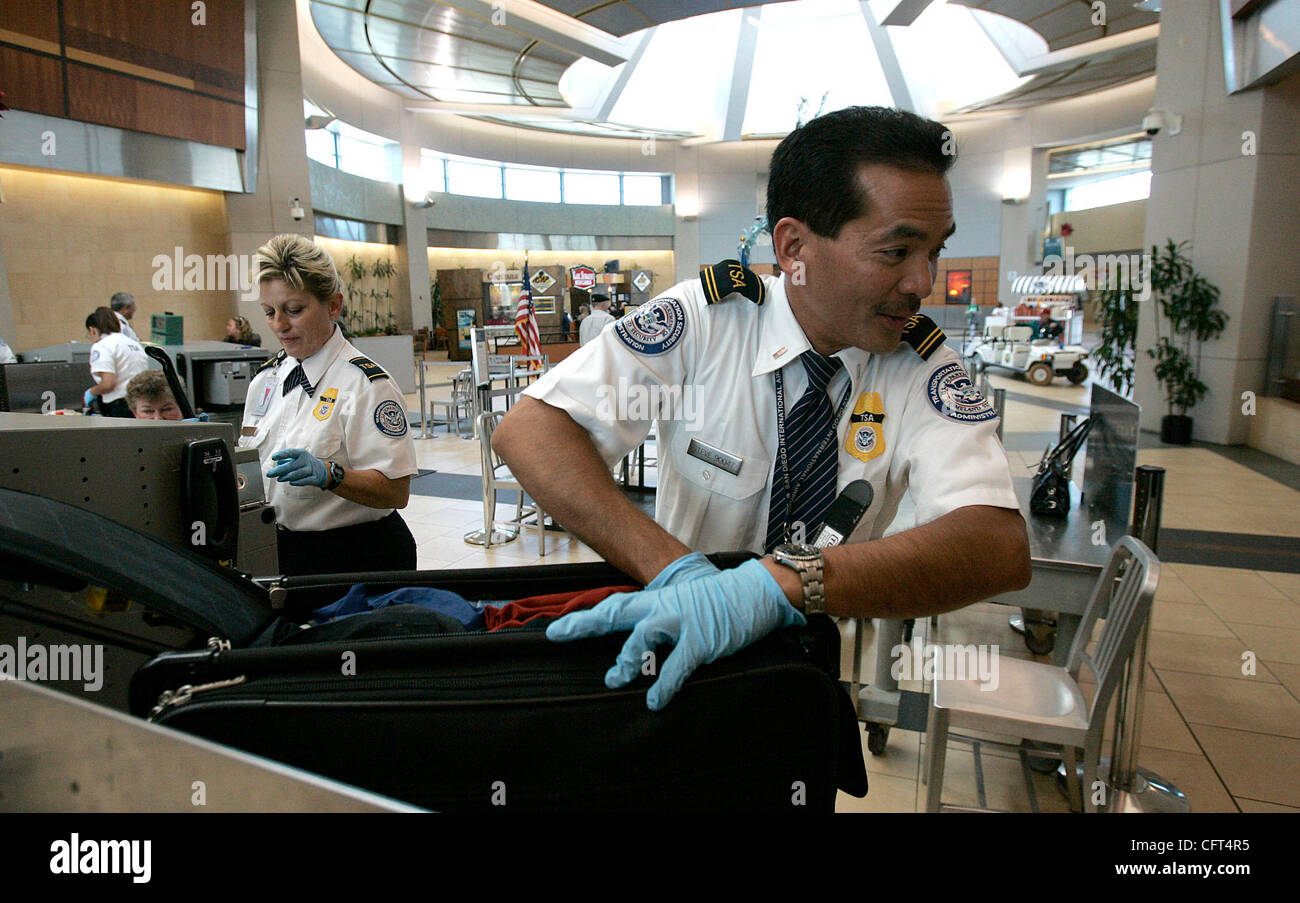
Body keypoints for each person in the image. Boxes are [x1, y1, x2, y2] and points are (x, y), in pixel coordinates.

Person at [493, 106, 1031, 710]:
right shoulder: (705, 321)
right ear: (794, 245)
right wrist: (678, 574)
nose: (923, 282)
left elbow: (997, 545)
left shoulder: (923, 367)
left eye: (933, 251)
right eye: (896, 251)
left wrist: (783, 585)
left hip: (806, 680)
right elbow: (530, 428)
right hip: (672, 663)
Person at [237, 234, 419, 576]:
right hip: (281, 549)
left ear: (333, 306)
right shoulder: (267, 380)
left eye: (294, 310)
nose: (279, 324)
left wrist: (330, 475)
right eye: (269, 312)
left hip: (354, 557)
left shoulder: (365, 385)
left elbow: (395, 492)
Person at [84, 307, 150, 418]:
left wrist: (91, 392)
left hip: (120, 406)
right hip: (141, 403)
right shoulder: (133, 343)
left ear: (92, 330)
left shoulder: (102, 346)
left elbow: (108, 384)